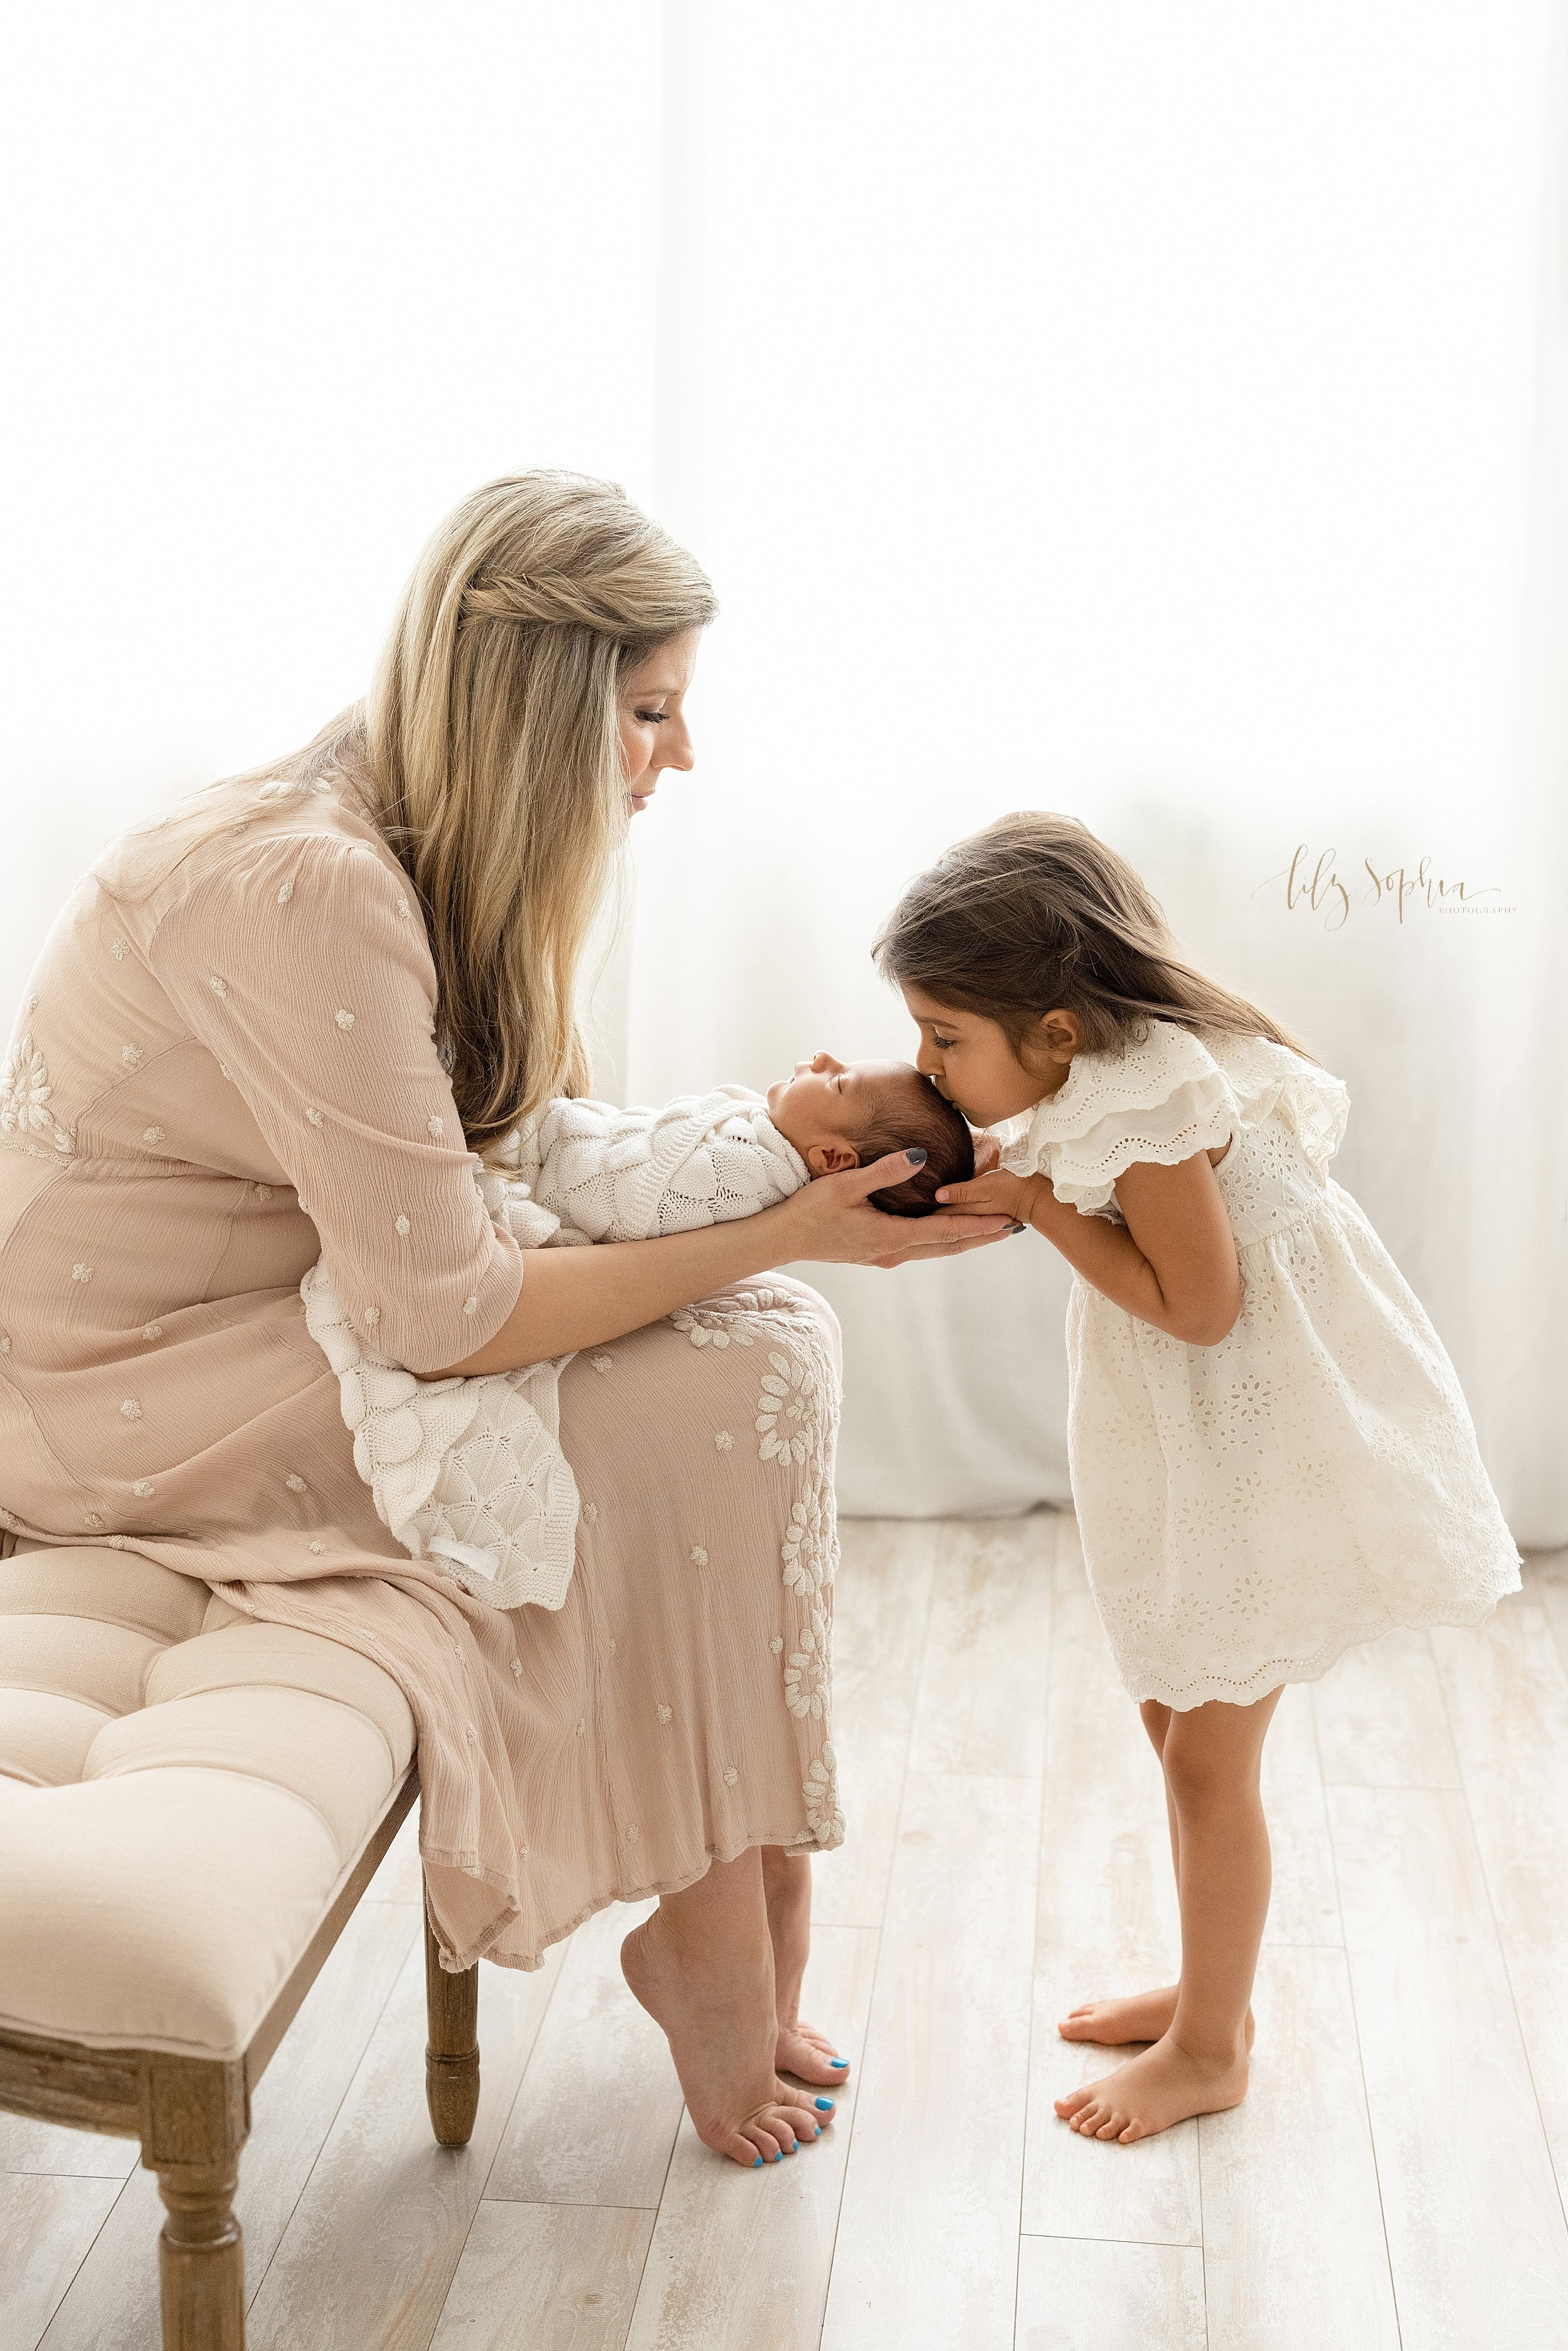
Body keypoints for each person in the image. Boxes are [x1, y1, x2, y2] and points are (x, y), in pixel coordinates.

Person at [0, 471, 1012, 2171]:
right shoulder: (307, 885)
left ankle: (738, 1866)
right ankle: (716, 1904)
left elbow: (507, 1158)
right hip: (125, 1392)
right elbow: (448, 1306)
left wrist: (790, 1146)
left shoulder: (399, 824)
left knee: (757, 1346)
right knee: (740, 1361)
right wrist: (795, 1229)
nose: (677, 756)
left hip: (268, 1319)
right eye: (648, 710)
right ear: (539, 711)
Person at [874, 810, 1520, 2144]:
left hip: (1265, 1428)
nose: (923, 1063)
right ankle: (1201, 1985)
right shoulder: (1101, 1072)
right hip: (1203, 1430)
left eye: (944, 1038)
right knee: (1178, 1730)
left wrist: (1042, 1208)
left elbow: (1200, 1309)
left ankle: (1211, 2046)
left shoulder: (1149, 1103)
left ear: (1053, 1028)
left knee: (1202, 1762)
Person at [301, 1056, 975, 1606]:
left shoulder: (749, 1170)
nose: (824, 1061)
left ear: (831, 1158)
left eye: (838, 1082)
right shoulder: (762, 1150)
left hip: (542, 1193)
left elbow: (621, 1197)